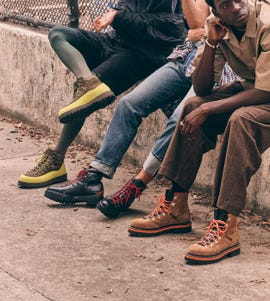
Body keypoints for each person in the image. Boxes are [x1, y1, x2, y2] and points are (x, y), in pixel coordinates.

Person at [127, 0, 270, 265]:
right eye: (227, 5)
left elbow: (265, 91)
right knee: (193, 105)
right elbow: (202, 89)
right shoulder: (217, 26)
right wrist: (213, 43)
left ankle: (226, 224)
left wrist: (211, 109)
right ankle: (176, 207)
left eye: (240, 0)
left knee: (240, 119)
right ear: (216, 10)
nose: (237, 7)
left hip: (265, 93)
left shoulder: (267, 22)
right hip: (252, 91)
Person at [42, 0, 210, 206]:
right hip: (188, 57)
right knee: (127, 104)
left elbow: (182, 27)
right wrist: (115, 16)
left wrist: (118, 17)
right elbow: (196, 29)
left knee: (180, 117)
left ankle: (136, 186)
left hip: (183, 59)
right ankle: (93, 177)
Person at [18, 0, 186, 188]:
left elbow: (170, 28)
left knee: (85, 98)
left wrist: (118, 16)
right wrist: (112, 14)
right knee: (59, 34)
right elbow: (122, 9)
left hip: (139, 54)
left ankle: (56, 160)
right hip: (113, 39)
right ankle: (87, 81)